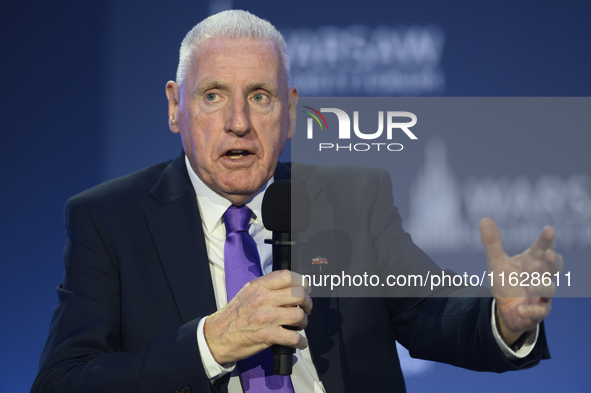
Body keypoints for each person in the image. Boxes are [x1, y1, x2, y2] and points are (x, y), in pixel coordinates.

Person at [31, 10, 562, 393]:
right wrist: (209, 344)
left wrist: (505, 319)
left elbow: (427, 313)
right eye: (212, 95)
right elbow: (63, 381)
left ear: (289, 112)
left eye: (260, 97)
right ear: (175, 106)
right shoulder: (109, 220)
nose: (238, 121)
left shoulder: (354, 198)